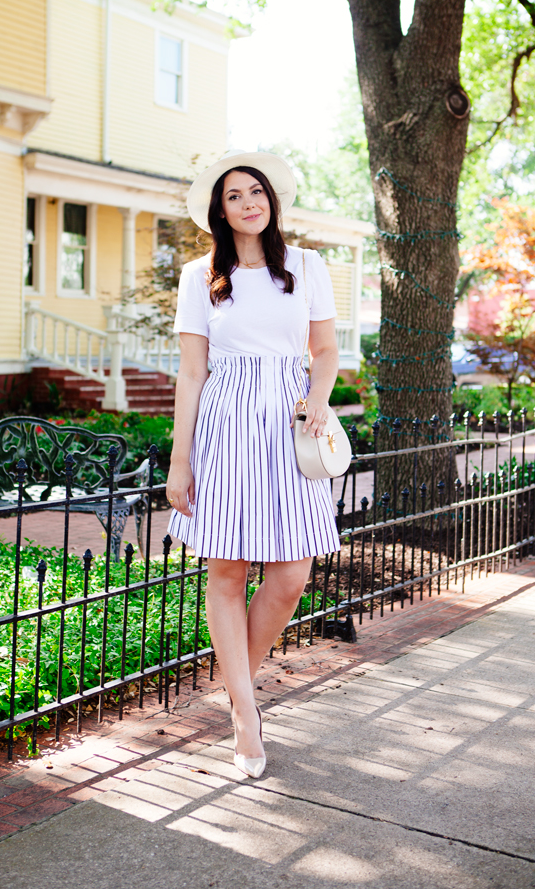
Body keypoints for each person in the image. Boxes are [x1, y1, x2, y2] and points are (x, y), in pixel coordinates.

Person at [166, 150, 340, 778]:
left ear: (272, 201)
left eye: (257, 191)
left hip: (290, 424)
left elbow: (324, 352)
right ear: (220, 210)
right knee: (229, 570)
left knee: (292, 573)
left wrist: (317, 400)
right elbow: (192, 372)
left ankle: (238, 682)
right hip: (227, 422)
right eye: (235, 195)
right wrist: (180, 459)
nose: (248, 202)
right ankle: (245, 711)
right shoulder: (198, 276)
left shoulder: (307, 266)